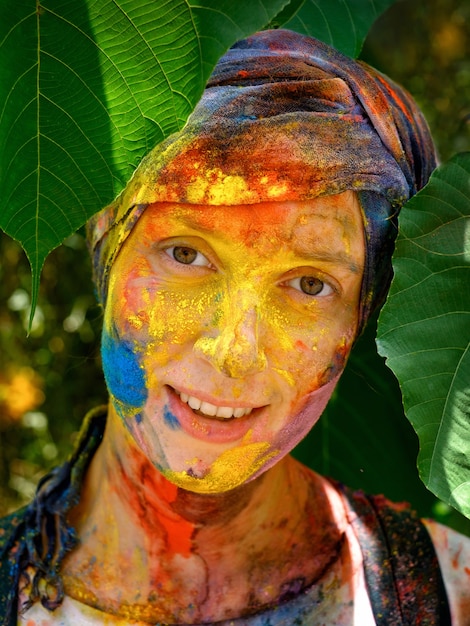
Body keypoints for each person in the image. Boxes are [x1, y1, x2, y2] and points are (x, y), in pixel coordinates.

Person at [1, 29, 469, 625]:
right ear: (107, 244)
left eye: (308, 284)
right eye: (186, 254)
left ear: (363, 311)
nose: (232, 350)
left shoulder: (448, 592)